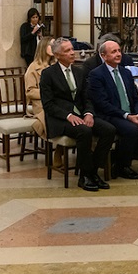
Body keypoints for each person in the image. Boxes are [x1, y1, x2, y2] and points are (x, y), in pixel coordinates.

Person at [39, 37, 116, 192]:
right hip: (60, 119)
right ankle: (84, 176)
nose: (72, 53)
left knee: (109, 129)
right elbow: (48, 105)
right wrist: (68, 116)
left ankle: (92, 171)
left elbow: (86, 97)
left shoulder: (78, 71)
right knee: (84, 131)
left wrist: (88, 113)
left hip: (81, 115)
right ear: (57, 55)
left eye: (72, 49)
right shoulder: (48, 74)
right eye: (67, 51)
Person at [88, 39, 138, 179]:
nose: (118, 54)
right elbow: (102, 104)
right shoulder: (97, 74)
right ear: (104, 56)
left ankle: (118, 159)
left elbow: (136, 99)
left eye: (119, 51)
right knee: (131, 130)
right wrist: (127, 116)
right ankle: (124, 165)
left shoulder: (126, 73)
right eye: (113, 52)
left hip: (130, 113)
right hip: (110, 115)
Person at [25, 35, 55, 139]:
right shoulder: (34, 67)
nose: (54, 47)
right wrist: (48, 93)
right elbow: (30, 91)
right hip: (42, 103)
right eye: (51, 45)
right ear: (43, 47)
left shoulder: (55, 65)